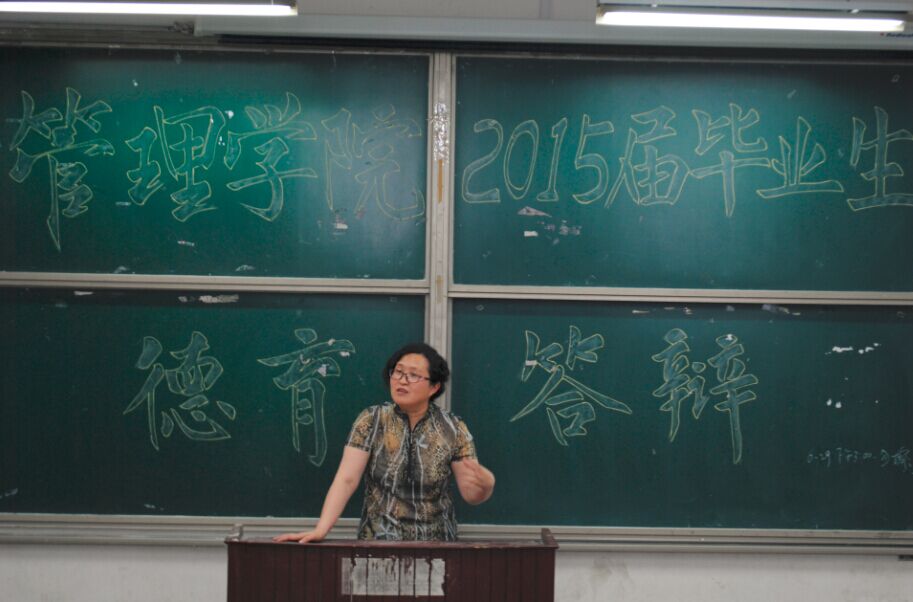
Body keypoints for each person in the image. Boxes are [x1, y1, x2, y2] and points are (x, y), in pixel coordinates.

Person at [274, 342, 495, 543]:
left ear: (434, 387)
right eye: (398, 372)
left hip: (437, 547)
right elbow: (346, 480)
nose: (402, 380)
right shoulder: (371, 420)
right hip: (377, 543)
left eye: (414, 375)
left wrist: (486, 485)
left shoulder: (453, 428)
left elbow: (471, 494)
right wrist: (321, 529)